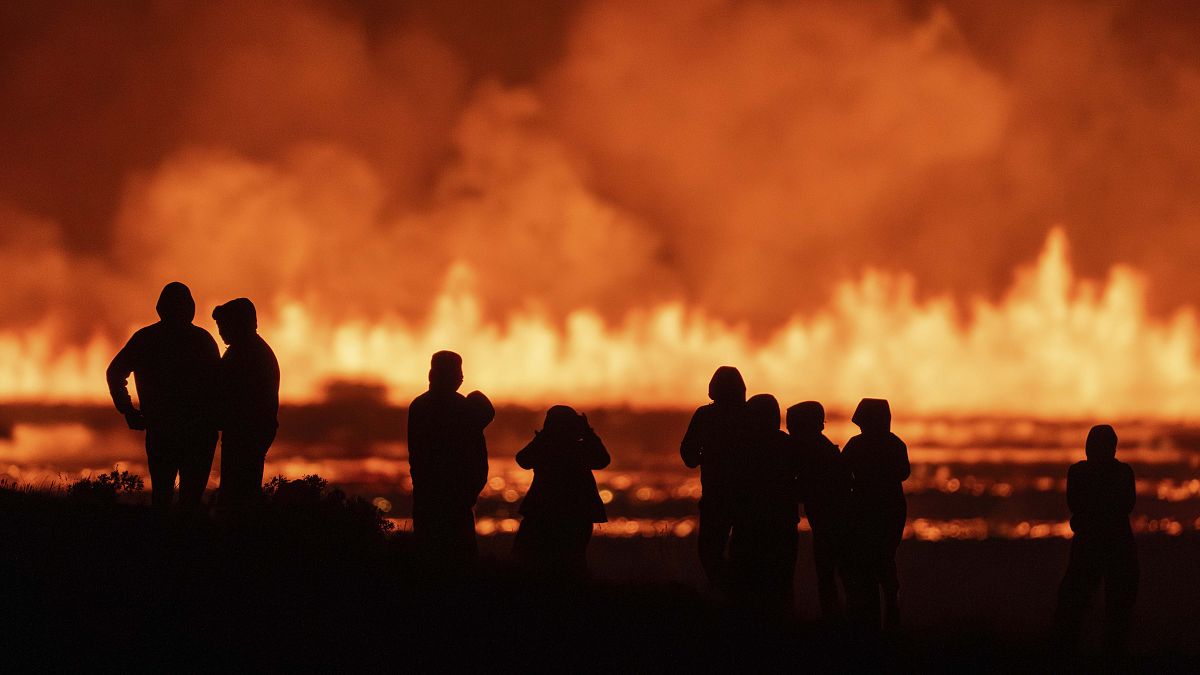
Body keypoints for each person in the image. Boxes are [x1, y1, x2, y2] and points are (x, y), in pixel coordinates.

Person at [106, 282, 219, 512]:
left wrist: (128, 410)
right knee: (190, 501)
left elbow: (115, 372)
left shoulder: (145, 338)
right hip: (197, 433)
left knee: (162, 497)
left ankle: (161, 543)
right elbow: (219, 386)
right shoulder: (203, 340)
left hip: (163, 431)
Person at [1053, 424, 1138, 657]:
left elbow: (1075, 505)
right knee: (1114, 604)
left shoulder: (1079, 473)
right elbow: (1127, 505)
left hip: (1092, 542)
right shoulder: (1123, 473)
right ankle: (1109, 655)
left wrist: (1090, 517)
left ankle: (1069, 653)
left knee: (1075, 599)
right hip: (1116, 542)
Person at [407, 351, 494, 568]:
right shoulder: (462, 408)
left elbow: (417, 457)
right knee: (459, 561)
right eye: (458, 372)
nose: (461, 378)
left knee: (429, 559)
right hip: (454, 497)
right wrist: (470, 490)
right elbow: (475, 454)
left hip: (428, 495)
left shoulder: (418, 406)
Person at [512, 406, 610, 579]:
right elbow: (602, 459)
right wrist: (588, 432)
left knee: (535, 562)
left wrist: (543, 436)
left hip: (543, 512)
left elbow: (523, 459)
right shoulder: (577, 448)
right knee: (572, 563)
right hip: (575, 514)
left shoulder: (546, 446)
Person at [841, 398, 909, 632]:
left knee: (869, 565)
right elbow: (904, 472)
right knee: (885, 562)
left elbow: (842, 474)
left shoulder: (856, 445)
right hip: (890, 509)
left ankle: (872, 621)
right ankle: (891, 618)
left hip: (867, 510)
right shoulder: (896, 444)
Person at [729, 394, 801, 611]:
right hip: (782, 522)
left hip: (749, 522)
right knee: (781, 581)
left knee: (746, 581)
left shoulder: (741, 446)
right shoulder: (787, 444)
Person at [680, 366, 748, 589]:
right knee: (743, 555)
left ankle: (729, 594)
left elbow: (688, 455)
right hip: (747, 497)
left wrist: (706, 455)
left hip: (715, 496)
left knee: (709, 552)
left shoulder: (705, 415)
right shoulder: (750, 416)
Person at [212, 298, 279, 511]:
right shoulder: (252, 350)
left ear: (238, 324)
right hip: (252, 430)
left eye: (223, 325)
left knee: (236, 494)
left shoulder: (244, 354)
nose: (221, 331)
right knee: (243, 490)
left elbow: (228, 392)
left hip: (245, 432)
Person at [787, 401, 850, 619]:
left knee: (831, 573)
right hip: (828, 522)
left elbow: (810, 489)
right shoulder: (817, 449)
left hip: (832, 523)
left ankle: (839, 622)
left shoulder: (817, 453)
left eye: (793, 427)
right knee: (834, 574)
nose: (790, 432)